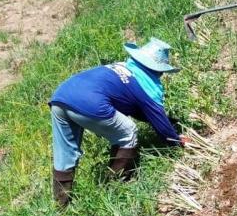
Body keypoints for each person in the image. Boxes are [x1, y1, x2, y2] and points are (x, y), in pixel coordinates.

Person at [47, 38, 183, 207]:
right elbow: (163, 128)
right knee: (128, 133)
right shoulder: (148, 84)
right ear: (158, 69)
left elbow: (138, 109)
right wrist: (177, 141)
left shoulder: (122, 67)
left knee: (64, 154)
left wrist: (167, 123)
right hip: (89, 102)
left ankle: (61, 205)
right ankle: (114, 186)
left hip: (61, 96)